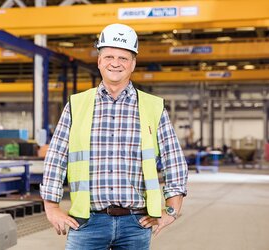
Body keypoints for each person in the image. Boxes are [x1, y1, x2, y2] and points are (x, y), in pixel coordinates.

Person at [40, 23, 188, 250]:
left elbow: (174, 160)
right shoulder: (76, 105)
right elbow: (56, 158)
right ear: (99, 61)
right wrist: (51, 208)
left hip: (135, 223)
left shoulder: (152, 107)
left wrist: (172, 211)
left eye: (123, 58)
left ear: (133, 64)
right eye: (109, 56)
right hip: (86, 223)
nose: (115, 63)